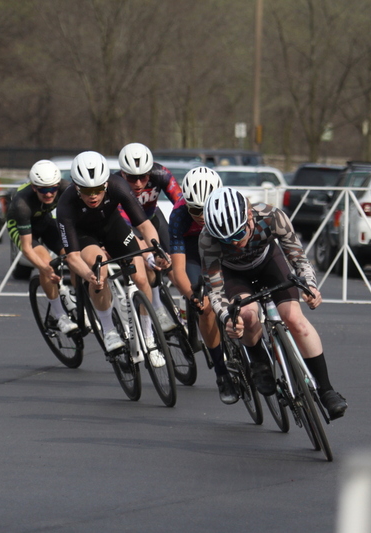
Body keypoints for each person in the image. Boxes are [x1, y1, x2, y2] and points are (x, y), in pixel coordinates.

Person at [199, 187, 348, 420]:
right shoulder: (207, 240)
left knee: (294, 319)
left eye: (238, 235)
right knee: (247, 315)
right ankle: (257, 358)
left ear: (249, 216)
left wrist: (310, 286)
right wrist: (228, 318)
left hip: (268, 262)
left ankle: (327, 390)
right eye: (225, 240)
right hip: (235, 275)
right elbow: (216, 292)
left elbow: (299, 258)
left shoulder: (271, 217)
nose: (234, 244)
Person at [56, 151, 170, 360]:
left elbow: (144, 224)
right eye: (86, 190)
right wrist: (89, 275)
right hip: (85, 236)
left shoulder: (118, 186)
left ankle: (149, 337)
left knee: (142, 277)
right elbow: (72, 257)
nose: (93, 195)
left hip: (113, 228)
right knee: (101, 271)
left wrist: (155, 247)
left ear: (106, 185)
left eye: (98, 189)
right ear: (75, 186)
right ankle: (109, 330)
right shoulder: (65, 204)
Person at [168, 167, 243, 404]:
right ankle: (222, 374)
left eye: (205, 208)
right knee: (205, 305)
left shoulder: (229, 204)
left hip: (220, 240)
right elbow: (177, 269)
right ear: (186, 203)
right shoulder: (179, 214)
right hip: (191, 248)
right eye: (195, 209)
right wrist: (192, 296)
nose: (200, 215)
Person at [116, 142, 184, 332]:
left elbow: (181, 204)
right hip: (127, 226)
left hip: (153, 220)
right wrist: (148, 254)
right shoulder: (115, 184)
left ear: (150, 172)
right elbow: (126, 228)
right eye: (131, 178)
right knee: (149, 262)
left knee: (176, 269)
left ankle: (187, 313)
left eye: (143, 177)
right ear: (122, 173)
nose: (138, 183)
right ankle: (157, 307)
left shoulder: (161, 173)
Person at [7, 159, 76, 334]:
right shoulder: (21, 204)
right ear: (34, 187)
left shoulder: (66, 189)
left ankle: (77, 299)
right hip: (22, 227)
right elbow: (27, 248)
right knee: (46, 263)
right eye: (43, 190)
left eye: (52, 188)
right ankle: (60, 316)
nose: (48, 194)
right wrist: (44, 269)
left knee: (74, 256)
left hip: (44, 221)